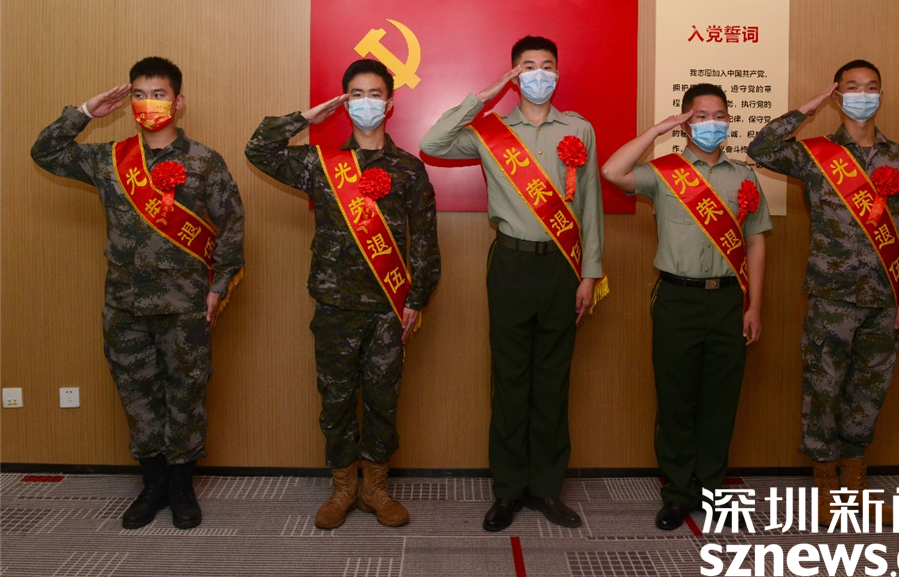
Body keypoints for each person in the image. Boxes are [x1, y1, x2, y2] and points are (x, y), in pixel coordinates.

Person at [31, 57, 245, 530]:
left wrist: (219, 286)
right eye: (140, 95)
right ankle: (152, 486)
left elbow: (231, 226)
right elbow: (45, 152)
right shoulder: (110, 159)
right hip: (125, 305)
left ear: (178, 102)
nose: (149, 103)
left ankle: (181, 487)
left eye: (159, 94)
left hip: (185, 304)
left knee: (186, 394)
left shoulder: (204, 161)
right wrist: (86, 112)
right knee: (137, 396)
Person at [420, 36, 604, 532]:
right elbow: (432, 143)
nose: (539, 74)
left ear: (558, 73)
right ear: (515, 74)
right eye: (528, 67)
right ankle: (507, 490)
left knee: (552, 379)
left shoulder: (579, 129)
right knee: (509, 379)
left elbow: (589, 204)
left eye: (547, 66)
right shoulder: (492, 132)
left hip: (563, 267)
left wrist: (591, 273)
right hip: (510, 265)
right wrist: (485, 95)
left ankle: (546, 488)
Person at [245, 59, 440, 529]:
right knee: (335, 400)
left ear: (389, 104)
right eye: (356, 94)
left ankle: (375, 488)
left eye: (375, 94)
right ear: (344, 102)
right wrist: (305, 119)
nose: (366, 102)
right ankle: (342, 488)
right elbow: (259, 150)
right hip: (335, 306)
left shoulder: (409, 169)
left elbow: (425, 241)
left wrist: (416, 300)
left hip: (388, 309)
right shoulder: (320, 164)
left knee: (382, 400)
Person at [747, 60, 899, 527]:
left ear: (881, 94)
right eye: (853, 87)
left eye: (872, 87)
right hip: (831, 295)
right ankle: (826, 487)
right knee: (823, 390)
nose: (864, 95)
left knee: (869, 392)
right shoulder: (816, 154)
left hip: (885, 297)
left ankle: (856, 488)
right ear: (838, 95)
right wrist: (806, 110)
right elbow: (761, 148)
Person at [602, 84, 770, 530]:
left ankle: (712, 490)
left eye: (719, 115)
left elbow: (755, 242)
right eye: (700, 116)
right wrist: (658, 130)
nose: (712, 123)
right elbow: (613, 171)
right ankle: (677, 492)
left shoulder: (744, 177)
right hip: (677, 298)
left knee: (720, 400)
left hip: (729, 299)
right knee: (675, 399)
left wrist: (754, 305)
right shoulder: (664, 172)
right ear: (685, 122)